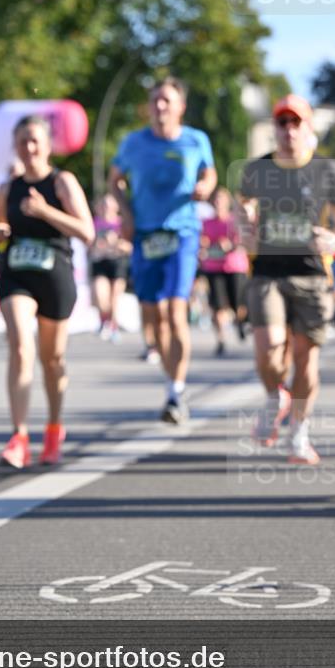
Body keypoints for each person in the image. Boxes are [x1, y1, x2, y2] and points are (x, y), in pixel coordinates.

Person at [238, 94, 335, 464]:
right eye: (282, 122)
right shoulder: (257, 170)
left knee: (307, 361)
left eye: (296, 122)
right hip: (268, 270)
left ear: (308, 128)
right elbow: (241, 207)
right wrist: (244, 224)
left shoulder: (327, 170)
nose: (289, 129)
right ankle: (277, 395)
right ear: (274, 129)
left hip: (311, 272)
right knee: (269, 347)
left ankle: (299, 433)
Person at [108, 77, 217, 423]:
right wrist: (125, 212)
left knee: (175, 310)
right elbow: (114, 180)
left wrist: (204, 186)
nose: (160, 107)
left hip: (182, 233)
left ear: (180, 107)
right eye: (155, 101)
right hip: (145, 235)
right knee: (153, 316)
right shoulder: (133, 143)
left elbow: (210, 174)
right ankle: (171, 379)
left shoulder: (195, 140)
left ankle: (176, 392)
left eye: (167, 101)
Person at [0, 115, 94, 468]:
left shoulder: (62, 181)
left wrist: (44, 210)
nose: (29, 148)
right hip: (17, 275)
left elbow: (87, 231)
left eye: (35, 140)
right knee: (21, 345)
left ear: (49, 145)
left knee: (52, 360)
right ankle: (19, 437)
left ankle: (53, 430)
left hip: (55, 277)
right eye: (23, 141)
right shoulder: (9, 188)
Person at [199, 187, 249, 355]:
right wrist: (203, 246)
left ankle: (240, 322)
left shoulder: (234, 221)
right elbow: (201, 243)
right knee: (217, 306)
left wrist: (230, 245)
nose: (218, 203)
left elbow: (243, 242)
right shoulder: (206, 223)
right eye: (216, 200)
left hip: (234, 267)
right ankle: (221, 340)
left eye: (221, 199)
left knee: (238, 304)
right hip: (213, 267)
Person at [90, 193, 132, 342]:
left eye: (108, 205)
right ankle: (104, 321)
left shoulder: (122, 223)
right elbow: (87, 243)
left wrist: (116, 243)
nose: (105, 208)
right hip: (100, 262)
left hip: (118, 263)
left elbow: (130, 247)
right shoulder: (94, 223)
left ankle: (112, 326)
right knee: (101, 296)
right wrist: (96, 244)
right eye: (103, 205)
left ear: (116, 207)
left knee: (114, 298)